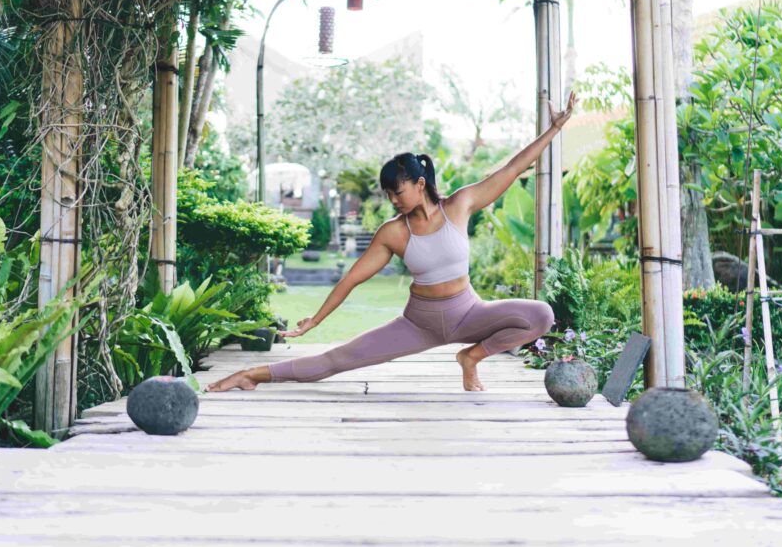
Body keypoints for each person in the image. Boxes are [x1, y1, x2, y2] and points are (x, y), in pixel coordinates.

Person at [208, 91, 577, 393]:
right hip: (419, 324)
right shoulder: (393, 232)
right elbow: (351, 278)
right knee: (336, 360)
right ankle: (251, 376)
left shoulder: (460, 205)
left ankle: (472, 357)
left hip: (468, 314)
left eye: (397, 191)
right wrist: (314, 321)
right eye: (387, 194)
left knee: (540, 315)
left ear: (420, 184)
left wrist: (555, 129)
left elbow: (511, 168)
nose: (393, 201)